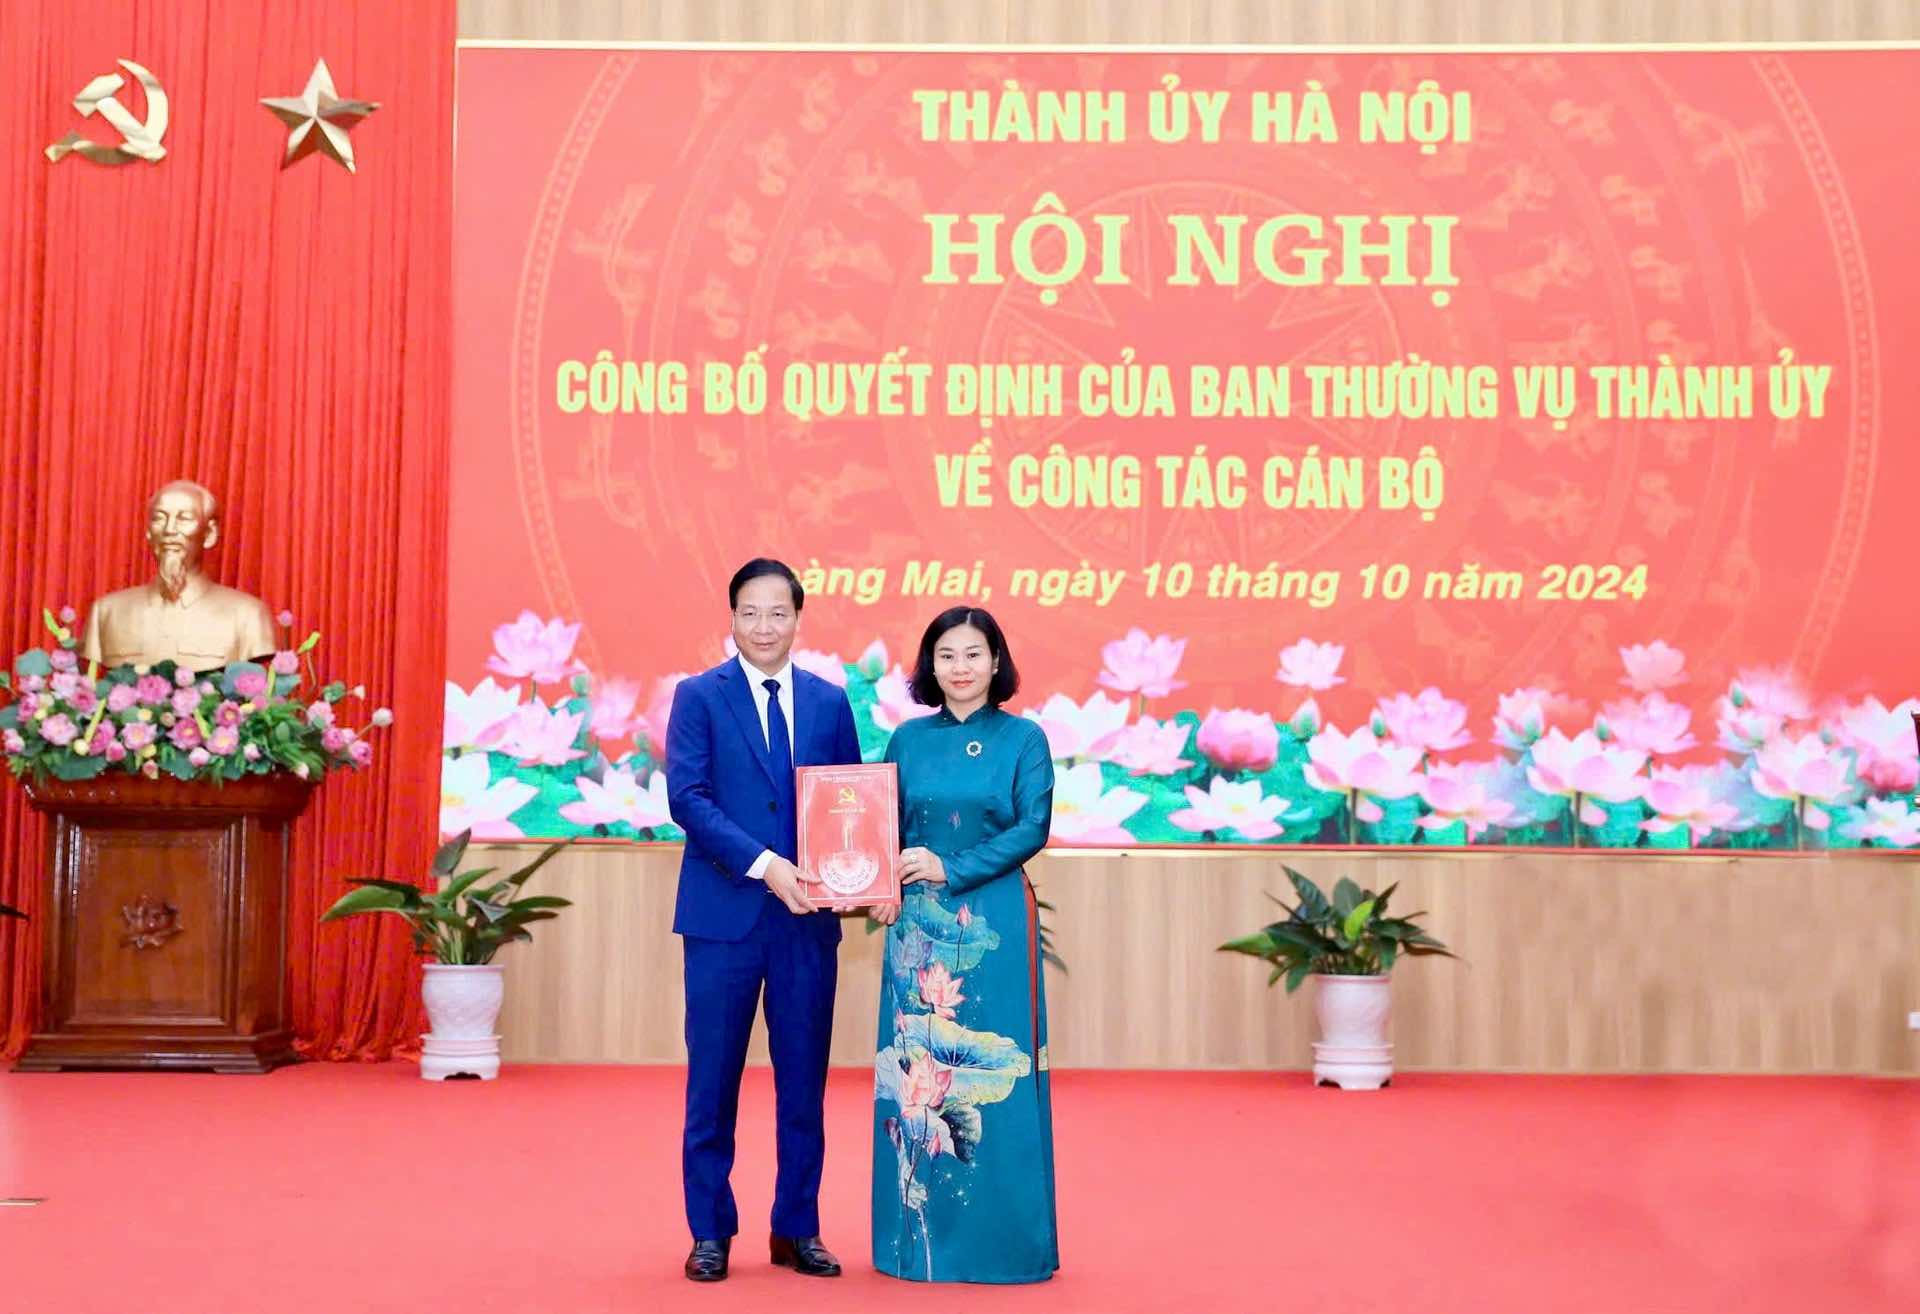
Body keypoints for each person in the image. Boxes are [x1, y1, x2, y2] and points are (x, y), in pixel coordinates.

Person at [665, 558, 863, 1283]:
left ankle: (796, 1228)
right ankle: (710, 1230)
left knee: (804, 1084)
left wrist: (856, 871)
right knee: (711, 1084)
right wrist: (764, 865)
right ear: (731, 618)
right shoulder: (698, 697)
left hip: (807, 924)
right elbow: (688, 799)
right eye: (750, 613)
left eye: (777, 613)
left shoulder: (829, 701)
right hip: (724, 919)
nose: (764, 627)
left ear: (798, 619)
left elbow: (848, 802)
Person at [868, 605, 1059, 1283]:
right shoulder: (907, 739)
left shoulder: (1023, 739)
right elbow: (880, 827)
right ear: (930, 666)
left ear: (997, 662)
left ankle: (1002, 1247)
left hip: (993, 922)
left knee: (996, 1081)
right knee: (917, 1080)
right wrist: (876, 879)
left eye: (974, 654)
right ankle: (917, 1243)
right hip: (915, 929)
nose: (960, 667)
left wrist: (953, 868)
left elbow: (1033, 826)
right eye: (946, 655)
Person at [82, 479, 277, 671]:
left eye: (183, 519)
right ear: (149, 532)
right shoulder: (106, 612)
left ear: (209, 534)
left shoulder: (248, 615)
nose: (169, 530)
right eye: (159, 518)